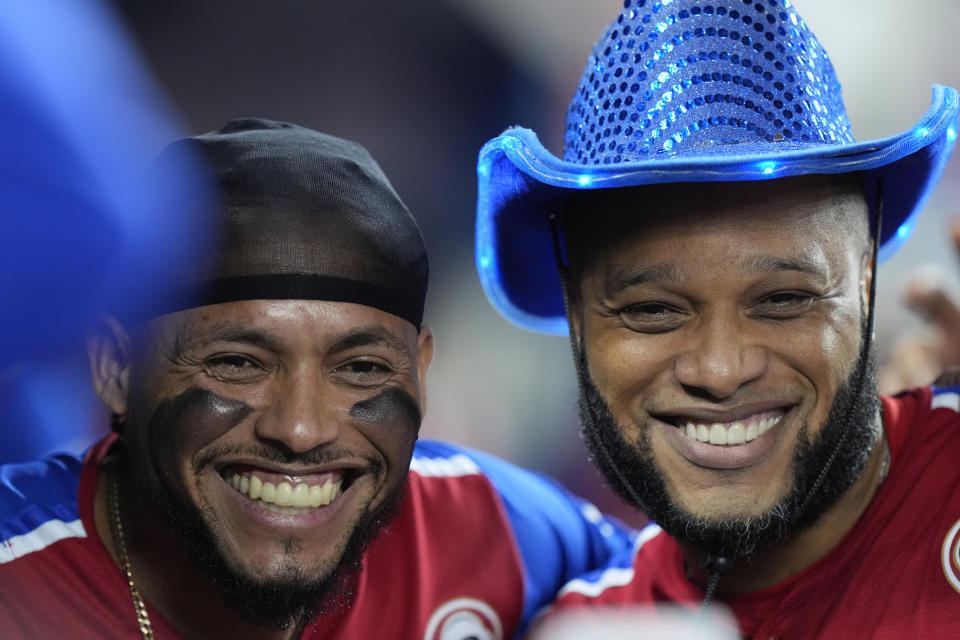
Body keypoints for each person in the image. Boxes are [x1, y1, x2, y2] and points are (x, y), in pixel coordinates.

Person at [0, 118, 633, 639]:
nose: (300, 429)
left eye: (361, 369)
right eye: (237, 363)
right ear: (116, 366)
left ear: (419, 373)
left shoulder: (493, 527)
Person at [475, 0, 960, 636]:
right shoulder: (587, 622)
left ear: (866, 281)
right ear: (577, 314)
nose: (722, 370)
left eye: (785, 300)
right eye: (653, 312)